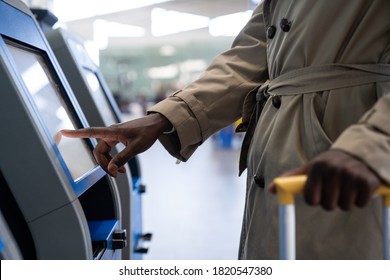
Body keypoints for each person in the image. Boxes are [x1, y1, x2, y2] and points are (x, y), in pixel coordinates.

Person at [61, 0, 390, 259]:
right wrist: (166, 116)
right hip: (281, 156)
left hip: (352, 150)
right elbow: (250, 56)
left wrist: (374, 143)